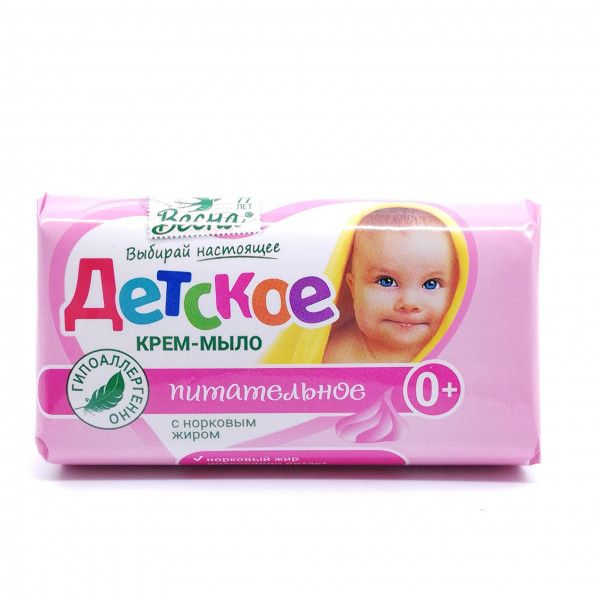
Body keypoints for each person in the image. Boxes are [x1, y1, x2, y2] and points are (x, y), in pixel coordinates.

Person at [322, 208, 458, 363]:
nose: (409, 303)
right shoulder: (337, 355)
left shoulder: (461, 349)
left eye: (431, 284)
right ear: (354, 289)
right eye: (386, 281)